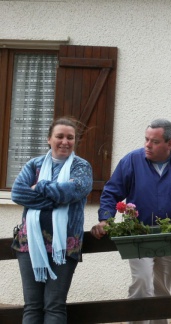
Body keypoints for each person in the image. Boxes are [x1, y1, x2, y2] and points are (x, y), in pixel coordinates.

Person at [90, 118, 171, 324]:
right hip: (139, 234)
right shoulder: (131, 161)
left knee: (162, 289)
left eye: (154, 141)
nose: (147, 145)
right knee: (141, 282)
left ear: (170, 143)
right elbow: (110, 193)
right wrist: (105, 220)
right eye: (146, 139)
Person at [11, 116, 93, 323]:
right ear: (49, 139)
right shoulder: (34, 164)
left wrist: (38, 187)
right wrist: (56, 200)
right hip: (29, 244)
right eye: (60, 136)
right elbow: (18, 194)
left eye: (70, 137)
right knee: (32, 307)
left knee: (54, 306)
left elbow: (73, 190)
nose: (65, 141)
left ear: (75, 141)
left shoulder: (81, 167)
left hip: (65, 247)